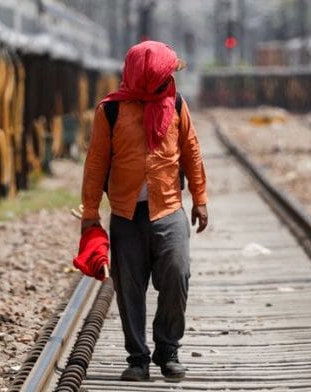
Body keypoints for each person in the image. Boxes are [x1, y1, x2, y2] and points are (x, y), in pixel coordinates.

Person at [80, 41, 208, 381]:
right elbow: (96, 163)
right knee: (129, 288)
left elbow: (191, 152)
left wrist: (200, 198)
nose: (169, 81)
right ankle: (137, 358)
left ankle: (168, 351)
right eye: (162, 76)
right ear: (143, 77)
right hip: (126, 213)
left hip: (168, 209)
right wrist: (90, 212)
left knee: (177, 275)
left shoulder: (176, 105)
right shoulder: (110, 111)